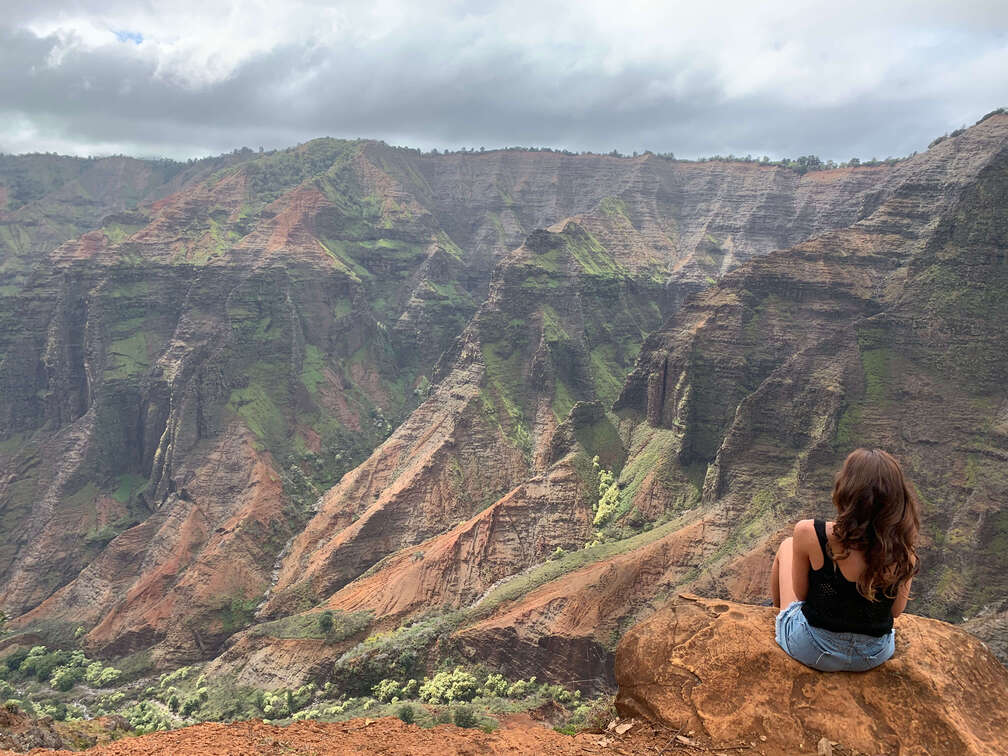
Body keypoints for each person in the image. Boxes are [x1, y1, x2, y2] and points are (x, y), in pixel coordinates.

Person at [770, 448, 920, 671]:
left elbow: (801, 595)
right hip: (873, 656)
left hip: (813, 650)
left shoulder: (810, 532)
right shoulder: (903, 551)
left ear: (846, 490)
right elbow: (896, 612)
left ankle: (777, 615)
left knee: (786, 546)